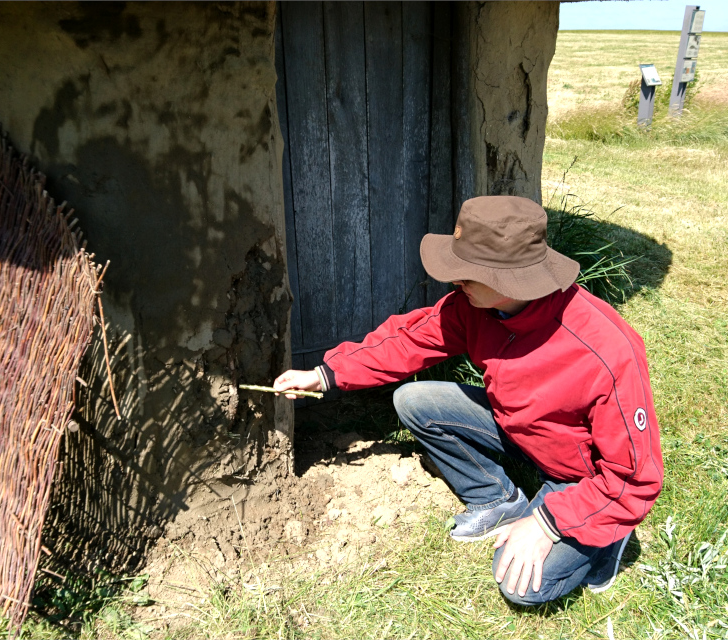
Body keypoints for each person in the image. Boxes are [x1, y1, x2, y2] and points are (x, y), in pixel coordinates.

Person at [273, 195, 663, 605]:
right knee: (415, 400)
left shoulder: (606, 351)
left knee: (522, 585)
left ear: (509, 280)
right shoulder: (475, 307)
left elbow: (635, 478)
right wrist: (326, 375)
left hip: (582, 477)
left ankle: (609, 539)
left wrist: (548, 524)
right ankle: (499, 499)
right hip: (520, 429)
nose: (454, 281)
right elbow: (409, 340)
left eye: (466, 274)